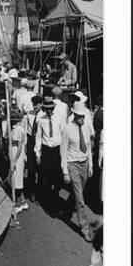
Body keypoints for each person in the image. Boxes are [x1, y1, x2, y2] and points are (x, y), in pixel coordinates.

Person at [61, 102, 96, 242]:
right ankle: (84, 227)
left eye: (84, 116)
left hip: (85, 163)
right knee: (80, 199)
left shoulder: (86, 126)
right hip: (73, 164)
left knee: (78, 192)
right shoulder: (67, 129)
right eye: (80, 117)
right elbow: (63, 151)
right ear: (74, 115)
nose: (82, 119)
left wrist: (91, 165)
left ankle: (66, 209)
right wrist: (65, 171)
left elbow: (88, 146)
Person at [35, 96, 64, 217]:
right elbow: (38, 137)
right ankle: (47, 204)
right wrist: (37, 153)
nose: (49, 111)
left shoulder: (59, 119)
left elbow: (63, 135)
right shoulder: (41, 120)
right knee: (46, 178)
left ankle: (55, 204)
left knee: (57, 178)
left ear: (54, 108)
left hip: (57, 150)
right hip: (46, 150)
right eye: (47, 109)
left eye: (51, 109)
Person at [24, 95, 44, 202]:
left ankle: (40, 191)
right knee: (31, 168)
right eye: (34, 104)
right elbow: (27, 129)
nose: (35, 106)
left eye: (37, 104)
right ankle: (32, 191)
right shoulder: (29, 114)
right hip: (31, 140)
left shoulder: (43, 116)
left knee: (40, 167)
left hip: (40, 140)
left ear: (41, 104)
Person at [10, 109, 28, 211]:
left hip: (17, 154)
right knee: (18, 179)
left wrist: (14, 160)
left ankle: (17, 204)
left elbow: (19, 146)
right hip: (19, 155)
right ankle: (23, 201)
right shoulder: (19, 128)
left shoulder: (17, 130)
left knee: (17, 180)